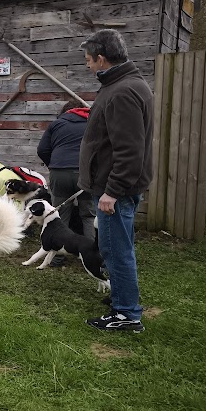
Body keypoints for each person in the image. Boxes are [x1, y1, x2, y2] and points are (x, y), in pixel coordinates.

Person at [79, 29, 153, 333]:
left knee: (115, 250)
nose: (87, 65)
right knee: (119, 246)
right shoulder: (124, 84)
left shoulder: (122, 91)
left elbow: (129, 150)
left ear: (101, 58)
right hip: (116, 187)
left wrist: (112, 191)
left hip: (114, 191)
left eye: (88, 60)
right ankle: (122, 299)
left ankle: (126, 314)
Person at [37, 99, 96, 267]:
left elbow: (42, 150)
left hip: (59, 173)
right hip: (85, 174)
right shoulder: (92, 124)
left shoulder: (56, 124)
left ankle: (57, 258)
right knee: (88, 215)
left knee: (60, 216)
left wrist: (54, 166)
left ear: (65, 111)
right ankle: (91, 255)